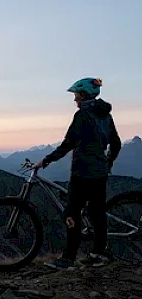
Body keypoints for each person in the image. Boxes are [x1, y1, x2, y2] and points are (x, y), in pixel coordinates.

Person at [36, 78, 122, 270]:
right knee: (97, 213)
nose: (74, 99)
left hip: (82, 173)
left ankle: (68, 258)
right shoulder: (105, 115)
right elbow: (116, 143)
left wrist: (46, 160)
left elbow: (68, 144)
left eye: (75, 95)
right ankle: (98, 254)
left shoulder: (82, 115)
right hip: (100, 173)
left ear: (83, 95)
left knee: (71, 213)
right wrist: (108, 163)